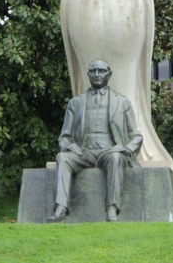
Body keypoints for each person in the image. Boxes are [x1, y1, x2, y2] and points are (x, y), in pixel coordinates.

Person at [49, 59, 142, 222]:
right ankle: (61, 208)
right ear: (88, 74)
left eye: (101, 71)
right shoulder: (75, 103)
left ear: (109, 74)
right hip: (84, 152)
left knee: (115, 158)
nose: (97, 74)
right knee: (62, 158)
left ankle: (112, 208)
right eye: (93, 71)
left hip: (109, 151)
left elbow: (136, 135)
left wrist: (124, 148)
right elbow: (64, 136)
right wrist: (70, 146)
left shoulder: (122, 102)